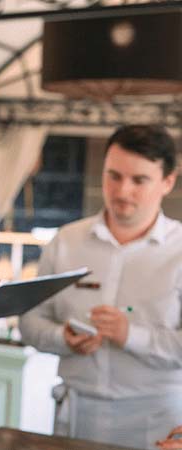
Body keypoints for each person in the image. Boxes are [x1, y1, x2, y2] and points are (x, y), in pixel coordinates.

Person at [20, 125, 182, 450]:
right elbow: (29, 323)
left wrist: (130, 336)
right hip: (76, 413)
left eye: (139, 180)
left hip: (156, 418)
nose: (122, 191)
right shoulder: (66, 240)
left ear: (168, 181)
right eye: (113, 175)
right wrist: (61, 338)